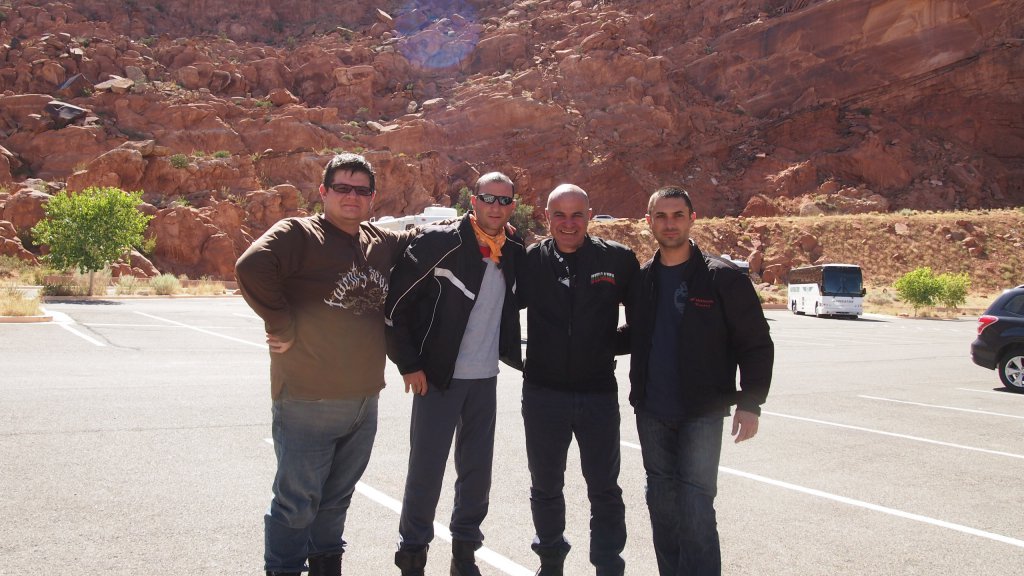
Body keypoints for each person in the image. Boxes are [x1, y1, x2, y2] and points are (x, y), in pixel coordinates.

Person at [235, 153, 415, 576]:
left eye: (361, 190)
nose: (352, 197)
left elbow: (419, 237)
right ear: (323, 191)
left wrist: (479, 219)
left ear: (373, 197)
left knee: (336, 498)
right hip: (307, 398)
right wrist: (281, 323)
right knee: (296, 502)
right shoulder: (299, 233)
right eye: (342, 188)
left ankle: (326, 565)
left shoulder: (378, 241)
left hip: (364, 399)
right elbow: (251, 266)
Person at [627, 186, 774, 576]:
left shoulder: (722, 277)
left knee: (695, 507)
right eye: (661, 216)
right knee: (661, 504)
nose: (669, 224)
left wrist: (751, 401)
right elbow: (636, 334)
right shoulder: (642, 279)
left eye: (678, 215)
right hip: (651, 410)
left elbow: (755, 342)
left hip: (702, 413)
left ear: (693, 219)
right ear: (649, 222)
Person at [384, 172, 525, 576]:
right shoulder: (439, 242)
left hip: (484, 378)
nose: (496, 206)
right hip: (437, 377)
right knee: (426, 471)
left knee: (477, 474)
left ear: (512, 207)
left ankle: (464, 554)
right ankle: (412, 554)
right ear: (473, 201)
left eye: (504, 200)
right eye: (488, 198)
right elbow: (395, 307)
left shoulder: (513, 249)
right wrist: (409, 364)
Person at [518, 184, 639, 576]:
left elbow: (644, 320)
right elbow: (497, 311)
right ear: (546, 216)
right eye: (559, 214)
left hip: (597, 394)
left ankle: (608, 565)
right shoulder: (531, 260)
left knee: (604, 489)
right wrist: (517, 358)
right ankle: (550, 561)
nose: (568, 224)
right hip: (543, 394)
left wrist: (605, 345)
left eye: (576, 215)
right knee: (545, 486)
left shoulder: (617, 259)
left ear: (590, 215)